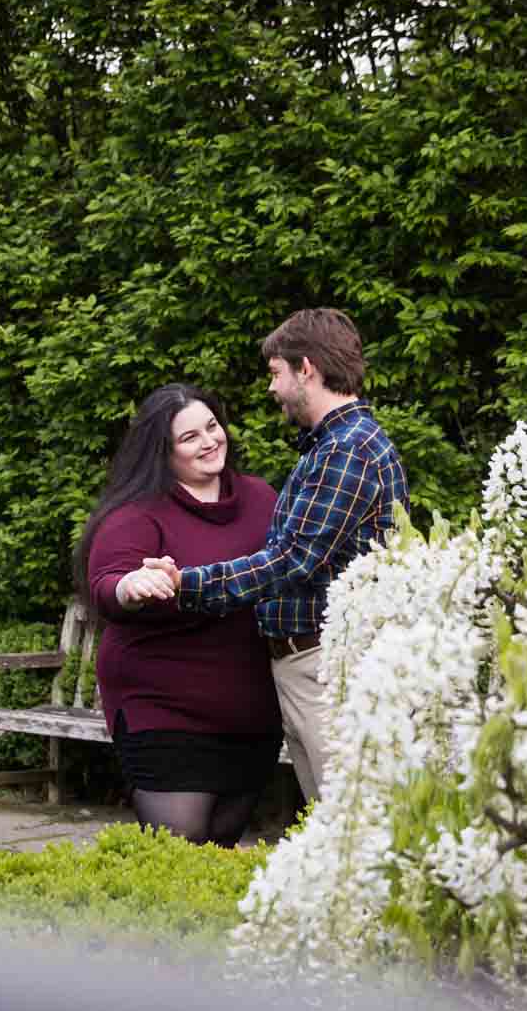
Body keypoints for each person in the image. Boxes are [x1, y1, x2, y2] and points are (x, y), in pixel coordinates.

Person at [135, 308, 407, 803]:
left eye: (275, 374)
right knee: (334, 824)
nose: (272, 389)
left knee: (348, 824)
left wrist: (186, 584)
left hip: (326, 664)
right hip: (311, 663)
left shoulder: (347, 450)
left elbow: (293, 559)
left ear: (306, 369)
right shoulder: (332, 447)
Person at [77, 383, 282, 847]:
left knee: (221, 842)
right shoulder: (138, 514)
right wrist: (131, 586)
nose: (209, 441)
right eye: (190, 438)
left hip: (250, 709)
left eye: (212, 427)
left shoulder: (261, 499)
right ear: (163, 452)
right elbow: (107, 581)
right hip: (164, 708)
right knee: (179, 843)